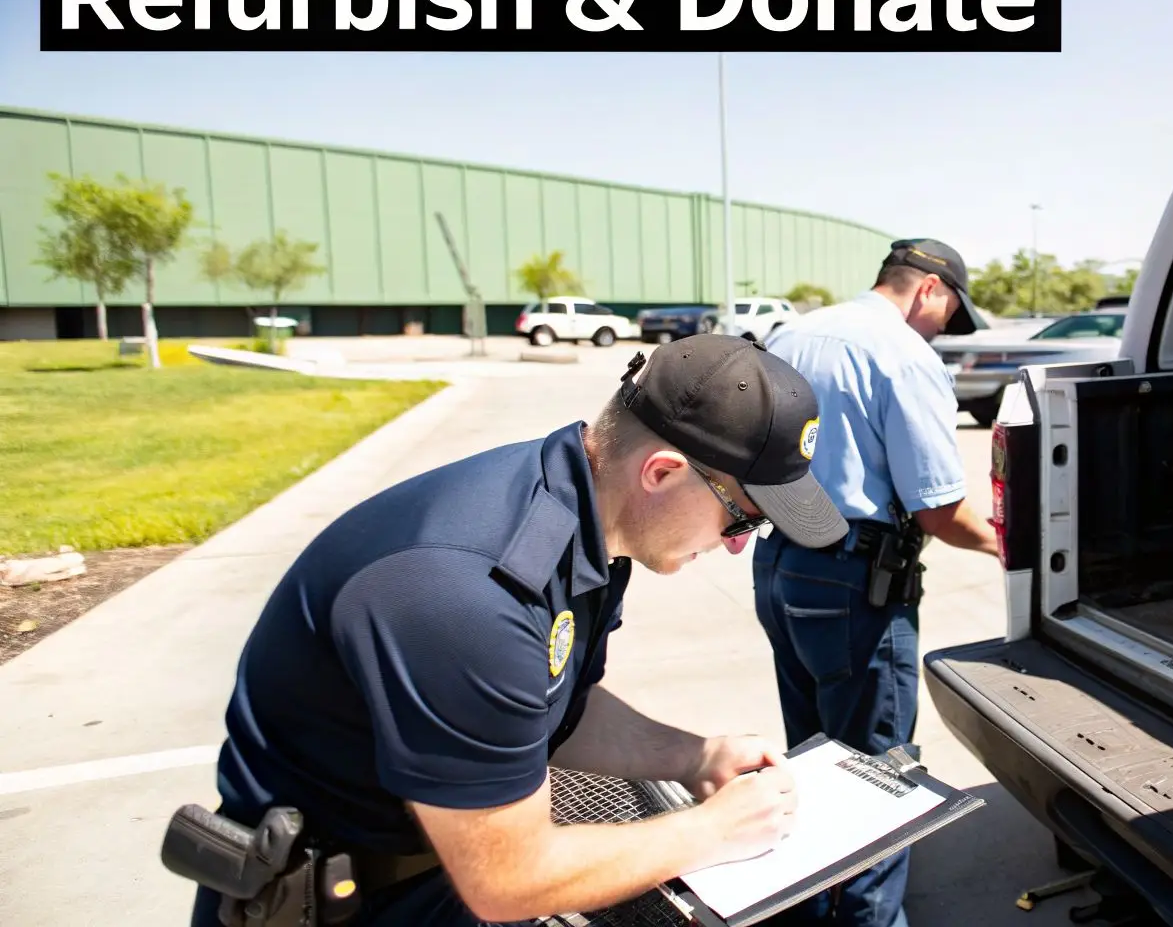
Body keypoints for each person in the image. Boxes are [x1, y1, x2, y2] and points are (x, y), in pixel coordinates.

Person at [182, 334, 850, 927]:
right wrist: (710, 832)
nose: (739, 547)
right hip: (333, 905)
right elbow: (507, 879)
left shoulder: (585, 517)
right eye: (742, 519)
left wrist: (697, 756)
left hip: (422, 879)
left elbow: (554, 708)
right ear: (663, 473)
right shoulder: (469, 596)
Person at [751, 239, 1001, 927]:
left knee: (813, 759)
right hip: (854, 584)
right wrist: (1019, 549)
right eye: (949, 314)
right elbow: (939, 510)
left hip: (780, 566)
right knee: (879, 775)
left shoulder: (791, 334)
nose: (944, 330)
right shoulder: (902, 354)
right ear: (929, 290)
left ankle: (810, 907)